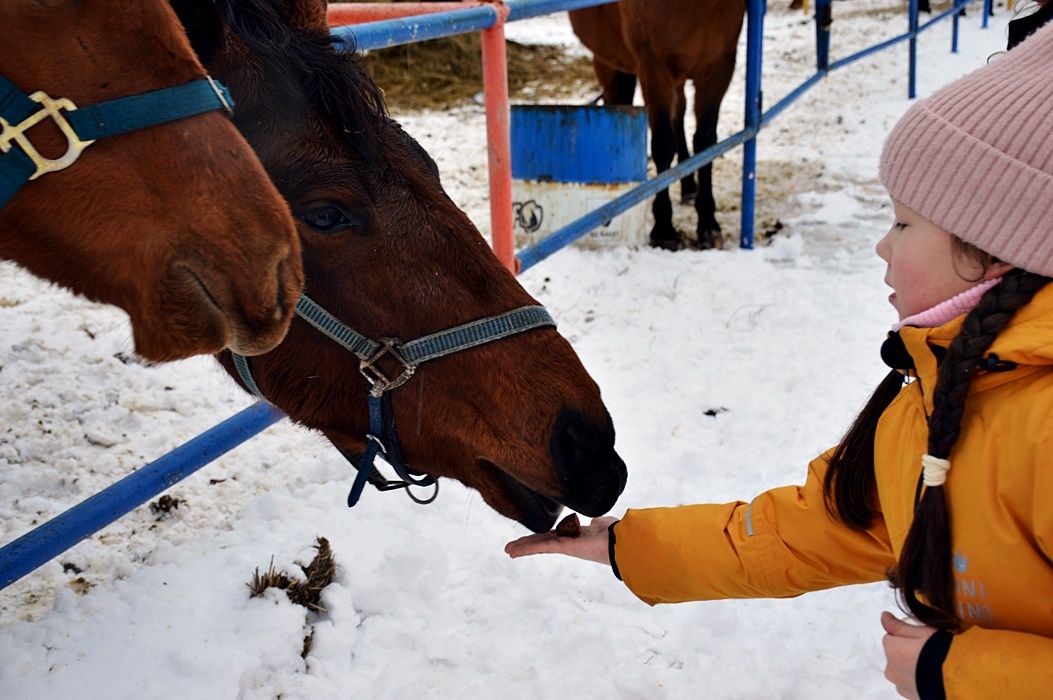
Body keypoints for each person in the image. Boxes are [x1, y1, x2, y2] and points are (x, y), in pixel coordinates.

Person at [506, 21, 1053, 700]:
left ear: (1000, 252)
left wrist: (960, 676)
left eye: (903, 225)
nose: (882, 248)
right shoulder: (937, 392)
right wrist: (629, 548)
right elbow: (818, 529)